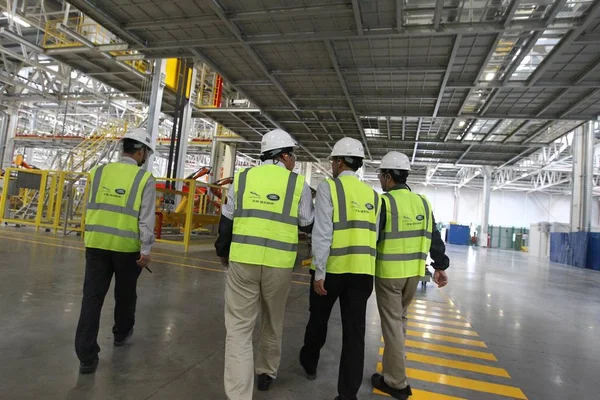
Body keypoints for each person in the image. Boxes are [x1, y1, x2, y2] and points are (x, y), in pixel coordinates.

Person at [215, 128, 314, 399]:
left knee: (238, 327)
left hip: (243, 261)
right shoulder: (298, 184)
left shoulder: (243, 179)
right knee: (273, 320)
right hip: (278, 266)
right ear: (283, 155)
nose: (294, 161)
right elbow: (307, 222)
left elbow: (228, 218)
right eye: (293, 155)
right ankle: (266, 373)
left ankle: (238, 395)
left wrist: (223, 251)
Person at [299, 137, 381, 400]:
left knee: (318, 321)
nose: (331, 165)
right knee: (355, 335)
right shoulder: (373, 196)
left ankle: (309, 363)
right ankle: (348, 395)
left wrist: (319, 271)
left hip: (332, 272)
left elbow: (323, 231)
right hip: (362, 275)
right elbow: (374, 236)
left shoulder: (329, 188)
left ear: (340, 161)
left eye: (333, 160)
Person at [75, 127, 156, 374]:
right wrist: (146, 249)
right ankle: (121, 333)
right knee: (125, 293)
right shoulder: (144, 179)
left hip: (96, 243)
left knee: (92, 298)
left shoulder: (98, 172)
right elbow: (146, 218)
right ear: (140, 151)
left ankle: (86, 357)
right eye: (146, 153)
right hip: (126, 248)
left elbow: (91, 207)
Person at [370, 151, 449, 399]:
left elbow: (374, 238)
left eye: (381, 175)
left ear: (388, 177)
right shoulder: (423, 203)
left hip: (389, 275)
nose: (381, 180)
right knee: (400, 322)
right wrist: (440, 265)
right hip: (413, 275)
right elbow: (434, 237)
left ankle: (397, 383)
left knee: (392, 326)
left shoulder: (384, 203)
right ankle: (392, 371)